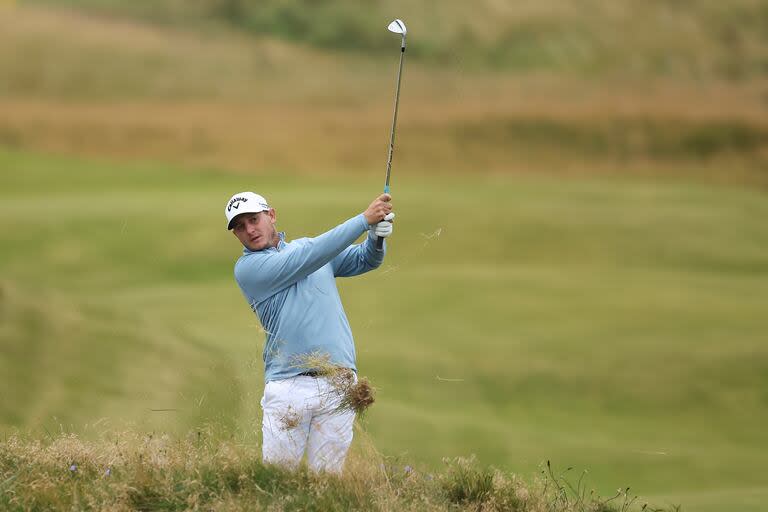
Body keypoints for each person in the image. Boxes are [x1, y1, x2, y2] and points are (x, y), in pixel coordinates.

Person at [224, 190, 395, 473]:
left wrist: (377, 236)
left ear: (272, 215)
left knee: (327, 483)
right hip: (288, 386)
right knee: (278, 481)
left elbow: (366, 260)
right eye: (240, 227)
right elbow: (313, 254)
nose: (249, 230)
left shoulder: (309, 251)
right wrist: (364, 220)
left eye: (253, 219)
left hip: (337, 382)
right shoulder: (249, 269)